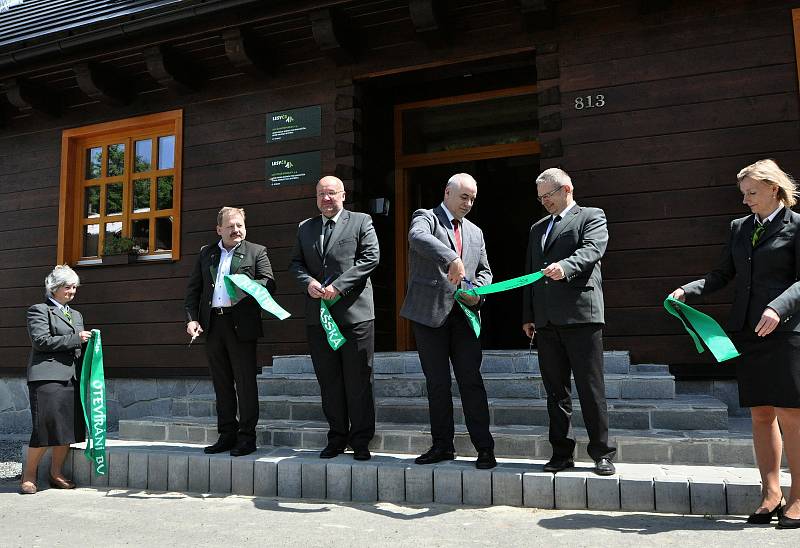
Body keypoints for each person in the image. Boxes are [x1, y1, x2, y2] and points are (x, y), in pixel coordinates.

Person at [669, 159, 800, 529]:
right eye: (743, 194)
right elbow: (723, 273)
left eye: (752, 193)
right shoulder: (739, 228)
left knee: (792, 414)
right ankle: (771, 494)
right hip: (747, 332)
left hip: (787, 331)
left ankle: (798, 498)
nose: (746, 201)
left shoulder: (797, 226)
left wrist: (778, 307)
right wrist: (687, 291)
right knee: (760, 414)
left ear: (774, 189)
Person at [522, 167, 616, 476]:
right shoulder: (537, 228)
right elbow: (531, 273)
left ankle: (602, 454)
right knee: (555, 392)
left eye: (548, 195)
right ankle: (561, 453)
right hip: (547, 321)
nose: (544, 201)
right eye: (540, 198)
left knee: (590, 388)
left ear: (567, 189)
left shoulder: (592, 216)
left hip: (581, 316)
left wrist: (567, 266)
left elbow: (593, 249)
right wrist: (529, 315)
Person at [400, 173, 496, 469]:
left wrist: (477, 294)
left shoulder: (476, 232)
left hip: (465, 316)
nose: (468, 203)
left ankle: (484, 448)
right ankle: (442, 446)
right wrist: (452, 258)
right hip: (430, 316)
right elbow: (417, 238)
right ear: (447, 193)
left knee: (471, 382)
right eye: (464, 197)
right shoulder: (425, 217)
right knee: (438, 384)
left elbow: (485, 272)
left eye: (472, 199)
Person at [289, 176, 380, 461]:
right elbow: (296, 263)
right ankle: (337, 437)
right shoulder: (305, 227)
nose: (326, 199)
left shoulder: (361, 221)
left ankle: (361, 439)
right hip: (320, 319)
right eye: (321, 194)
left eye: (331, 193)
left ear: (343, 194)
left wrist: (339, 286)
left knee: (358, 380)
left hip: (355, 316)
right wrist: (307, 282)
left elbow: (370, 258)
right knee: (329, 381)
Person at [185, 206, 275, 457]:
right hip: (213, 325)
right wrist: (192, 320)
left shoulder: (256, 252)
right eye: (231, 226)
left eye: (240, 225)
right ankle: (227, 435)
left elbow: (269, 282)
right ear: (219, 229)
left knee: (245, 383)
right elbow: (194, 291)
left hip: (241, 326)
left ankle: (247, 438)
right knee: (221, 383)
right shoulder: (207, 254)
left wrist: (245, 286)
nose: (237, 230)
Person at [20, 265, 92, 494]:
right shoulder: (38, 310)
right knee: (45, 427)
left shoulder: (77, 314)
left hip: (72, 377)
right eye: (67, 287)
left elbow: (78, 344)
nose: (72, 291)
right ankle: (29, 476)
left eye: (74, 287)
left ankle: (56, 473)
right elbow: (41, 341)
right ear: (54, 288)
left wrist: (91, 345)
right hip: (47, 376)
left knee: (67, 428)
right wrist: (76, 338)